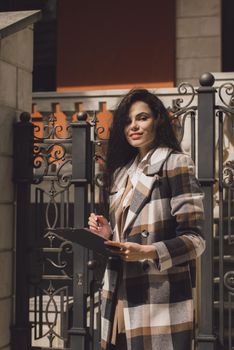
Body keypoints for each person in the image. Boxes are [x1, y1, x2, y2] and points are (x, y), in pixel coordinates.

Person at [88, 89, 205, 350]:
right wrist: (108, 235)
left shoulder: (176, 164)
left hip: (158, 298)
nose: (134, 126)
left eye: (142, 118)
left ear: (158, 121)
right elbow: (127, 235)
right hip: (118, 294)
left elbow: (195, 240)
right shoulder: (121, 174)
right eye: (128, 121)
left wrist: (148, 252)